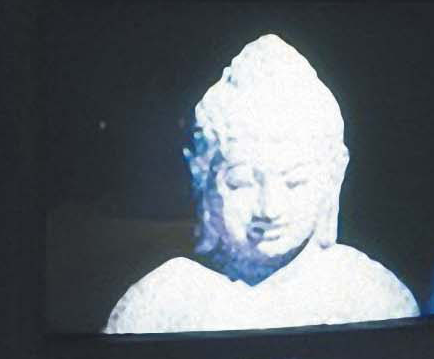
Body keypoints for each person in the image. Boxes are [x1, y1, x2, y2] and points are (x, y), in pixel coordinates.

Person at [105, 34, 418, 334]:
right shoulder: (159, 305)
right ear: (203, 180)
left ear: (332, 179)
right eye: (241, 183)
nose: (269, 209)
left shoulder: (372, 298)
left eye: (294, 182)